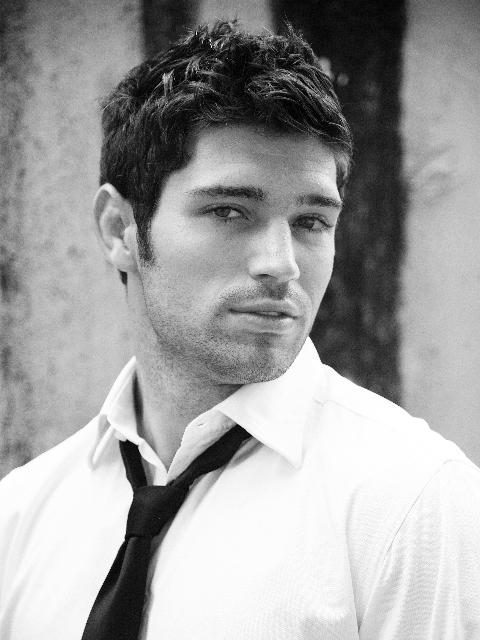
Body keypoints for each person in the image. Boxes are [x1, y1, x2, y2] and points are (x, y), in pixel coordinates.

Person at [0, 21, 479, 640]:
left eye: (311, 221)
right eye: (229, 211)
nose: (281, 264)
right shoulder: (21, 516)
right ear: (120, 228)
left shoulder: (413, 502)